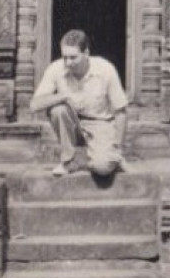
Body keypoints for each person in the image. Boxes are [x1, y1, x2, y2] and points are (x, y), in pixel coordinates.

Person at [30, 29, 128, 178]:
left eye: (73, 57)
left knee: (102, 168)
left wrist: (118, 147)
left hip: (100, 124)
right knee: (58, 110)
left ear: (86, 53)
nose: (68, 62)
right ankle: (68, 161)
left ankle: (104, 157)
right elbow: (34, 105)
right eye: (65, 57)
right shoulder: (56, 68)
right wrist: (62, 96)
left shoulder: (105, 69)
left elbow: (121, 112)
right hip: (73, 123)